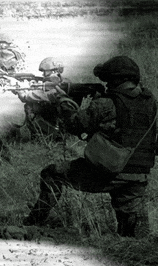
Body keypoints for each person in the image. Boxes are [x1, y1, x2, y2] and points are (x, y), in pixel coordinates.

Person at [24, 56, 157, 239]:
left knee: (52, 174)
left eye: (109, 80)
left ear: (118, 79)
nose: (107, 84)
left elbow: (75, 125)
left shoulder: (106, 103)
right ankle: (140, 245)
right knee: (133, 230)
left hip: (109, 171)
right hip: (139, 173)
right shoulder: (150, 102)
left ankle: (33, 224)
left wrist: (62, 100)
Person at [15, 57, 69, 139]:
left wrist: (19, 90)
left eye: (45, 71)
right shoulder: (65, 82)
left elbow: (26, 97)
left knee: (30, 106)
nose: (43, 74)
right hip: (63, 122)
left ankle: (38, 133)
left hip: (58, 127)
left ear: (54, 71)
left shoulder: (56, 86)